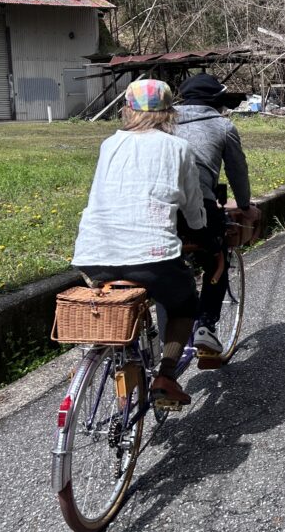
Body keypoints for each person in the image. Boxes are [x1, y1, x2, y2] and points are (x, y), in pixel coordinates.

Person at [72, 79, 205, 405]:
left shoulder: (109, 145)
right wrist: (200, 229)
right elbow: (192, 206)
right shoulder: (178, 148)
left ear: (126, 111)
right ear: (169, 113)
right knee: (184, 303)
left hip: (93, 255)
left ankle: (119, 355)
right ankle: (166, 376)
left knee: (119, 296)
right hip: (151, 257)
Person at [173, 73, 260, 355]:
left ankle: (167, 338)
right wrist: (245, 206)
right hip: (198, 205)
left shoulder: (161, 122)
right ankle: (206, 326)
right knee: (216, 255)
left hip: (157, 207)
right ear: (216, 100)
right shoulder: (223, 126)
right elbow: (237, 170)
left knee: (165, 264)